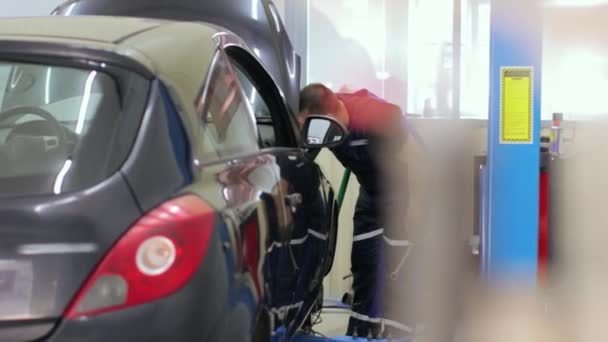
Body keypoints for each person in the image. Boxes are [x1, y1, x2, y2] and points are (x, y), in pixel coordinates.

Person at [298, 84, 426, 338]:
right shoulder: (319, 126)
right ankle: (361, 331)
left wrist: (416, 211)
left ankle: (398, 333)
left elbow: (416, 160)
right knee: (364, 260)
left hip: (407, 189)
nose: (308, 132)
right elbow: (301, 161)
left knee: (397, 264)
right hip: (372, 190)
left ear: (331, 114)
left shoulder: (376, 116)